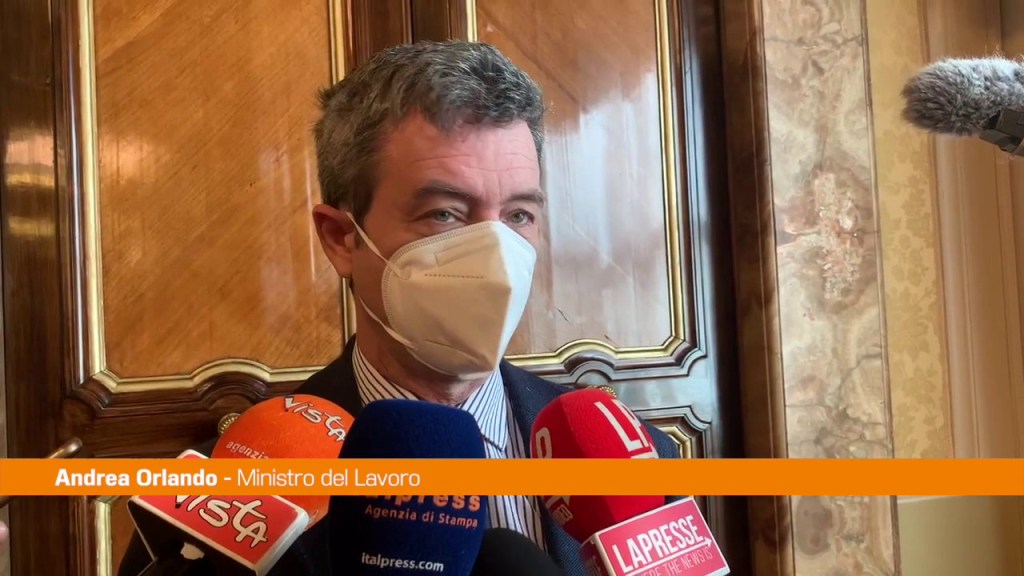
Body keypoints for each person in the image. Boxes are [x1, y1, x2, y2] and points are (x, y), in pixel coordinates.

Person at [119, 41, 681, 576]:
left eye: (517, 216)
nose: (496, 255)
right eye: (445, 214)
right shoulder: (219, 500)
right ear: (341, 238)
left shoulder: (633, 464)